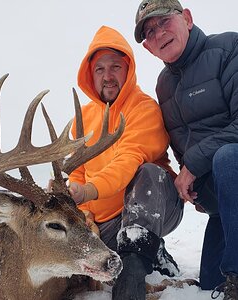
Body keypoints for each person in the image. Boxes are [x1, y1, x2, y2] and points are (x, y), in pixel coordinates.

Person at [67, 25, 184, 300]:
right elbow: (77, 171)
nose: (108, 76)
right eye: (99, 69)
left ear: (128, 69)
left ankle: (131, 278)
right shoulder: (82, 119)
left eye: (115, 67)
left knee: (149, 173)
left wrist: (88, 191)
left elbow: (128, 160)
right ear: (90, 75)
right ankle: (151, 252)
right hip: (105, 225)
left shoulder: (143, 108)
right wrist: (82, 210)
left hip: (158, 206)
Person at [134, 0, 238, 299]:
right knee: (208, 284)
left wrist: (191, 166)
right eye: (149, 32)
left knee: (228, 156)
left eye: (164, 21)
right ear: (148, 48)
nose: (158, 33)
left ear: (187, 19)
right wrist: (196, 189)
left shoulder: (229, 47)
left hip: (233, 166)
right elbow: (181, 141)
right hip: (223, 203)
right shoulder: (163, 85)